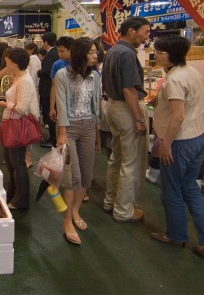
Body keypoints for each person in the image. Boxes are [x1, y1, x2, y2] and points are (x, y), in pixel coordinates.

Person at [150, 35, 204, 256]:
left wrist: (166, 144)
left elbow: (178, 117)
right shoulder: (191, 72)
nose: (157, 55)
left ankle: (175, 235)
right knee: (191, 188)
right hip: (198, 137)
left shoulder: (175, 80)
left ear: (173, 55)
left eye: (160, 52)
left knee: (171, 190)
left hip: (179, 142)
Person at [102, 16, 151, 223]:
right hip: (126, 109)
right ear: (131, 31)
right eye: (145, 32)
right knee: (131, 162)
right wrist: (139, 119)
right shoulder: (128, 54)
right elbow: (129, 89)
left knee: (117, 157)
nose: (147, 36)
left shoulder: (112, 51)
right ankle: (124, 211)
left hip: (113, 107)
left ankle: (110, 201)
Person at [55, 38, 101, 245]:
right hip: (70, 127)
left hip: (89, 127)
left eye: (96, 52)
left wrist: (97, 134)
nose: (95, 55)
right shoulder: (62, 75)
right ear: (80, 54)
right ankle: (66, 222)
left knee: (86, 174)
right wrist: (62, 134)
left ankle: (75, 211)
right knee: (71, 177)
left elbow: (96, 106)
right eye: (91, 52)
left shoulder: (95, 76)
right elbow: (62, 105)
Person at [0, 48, 40, 210]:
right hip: (11, 124)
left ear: (14, 62)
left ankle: (20, 200)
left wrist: (4, 103)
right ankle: (13, 194)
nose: (6, 62)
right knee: (11, 163)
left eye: (8, 60)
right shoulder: (18, 78)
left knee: (17, 163)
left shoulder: (25, 81)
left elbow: (21, 108)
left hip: (17, 126)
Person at [37, 32, 59, 148]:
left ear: (45, 42)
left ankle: (53, 138)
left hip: (48, 89)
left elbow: (47, 71)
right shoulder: (54, 53)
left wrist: (38, 72)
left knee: (50, 114)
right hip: (50, 89)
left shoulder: (51, 54)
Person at [48, 36, 75, 125]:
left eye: (62, 51)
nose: (59, 54)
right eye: (58, 51)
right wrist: (52, 107)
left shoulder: (80, 64)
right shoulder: (57, 65)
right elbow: (54, 86)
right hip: (62, 105)